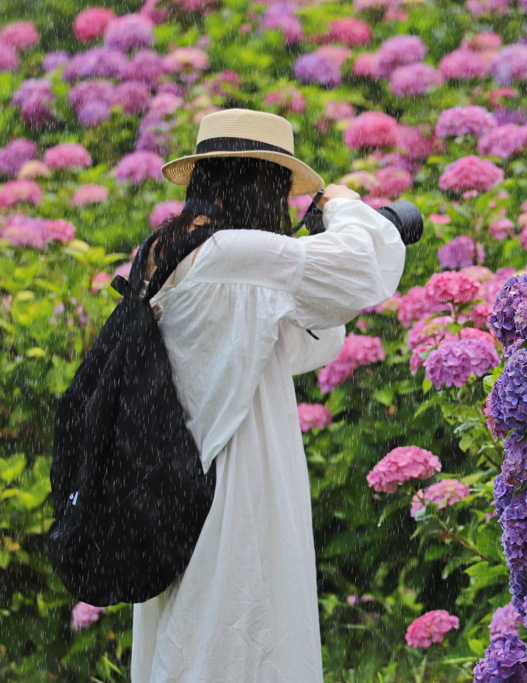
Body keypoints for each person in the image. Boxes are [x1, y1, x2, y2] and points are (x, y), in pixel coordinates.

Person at [130, 108, 406, 682]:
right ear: (264, 183)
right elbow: (364, 267)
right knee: (242, 635)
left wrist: (300, 283)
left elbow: (298, 349)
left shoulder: (168, 252)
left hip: (178, 479)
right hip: (237, 479)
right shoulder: (234, 253)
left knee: (190, 640)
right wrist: (343, 206)